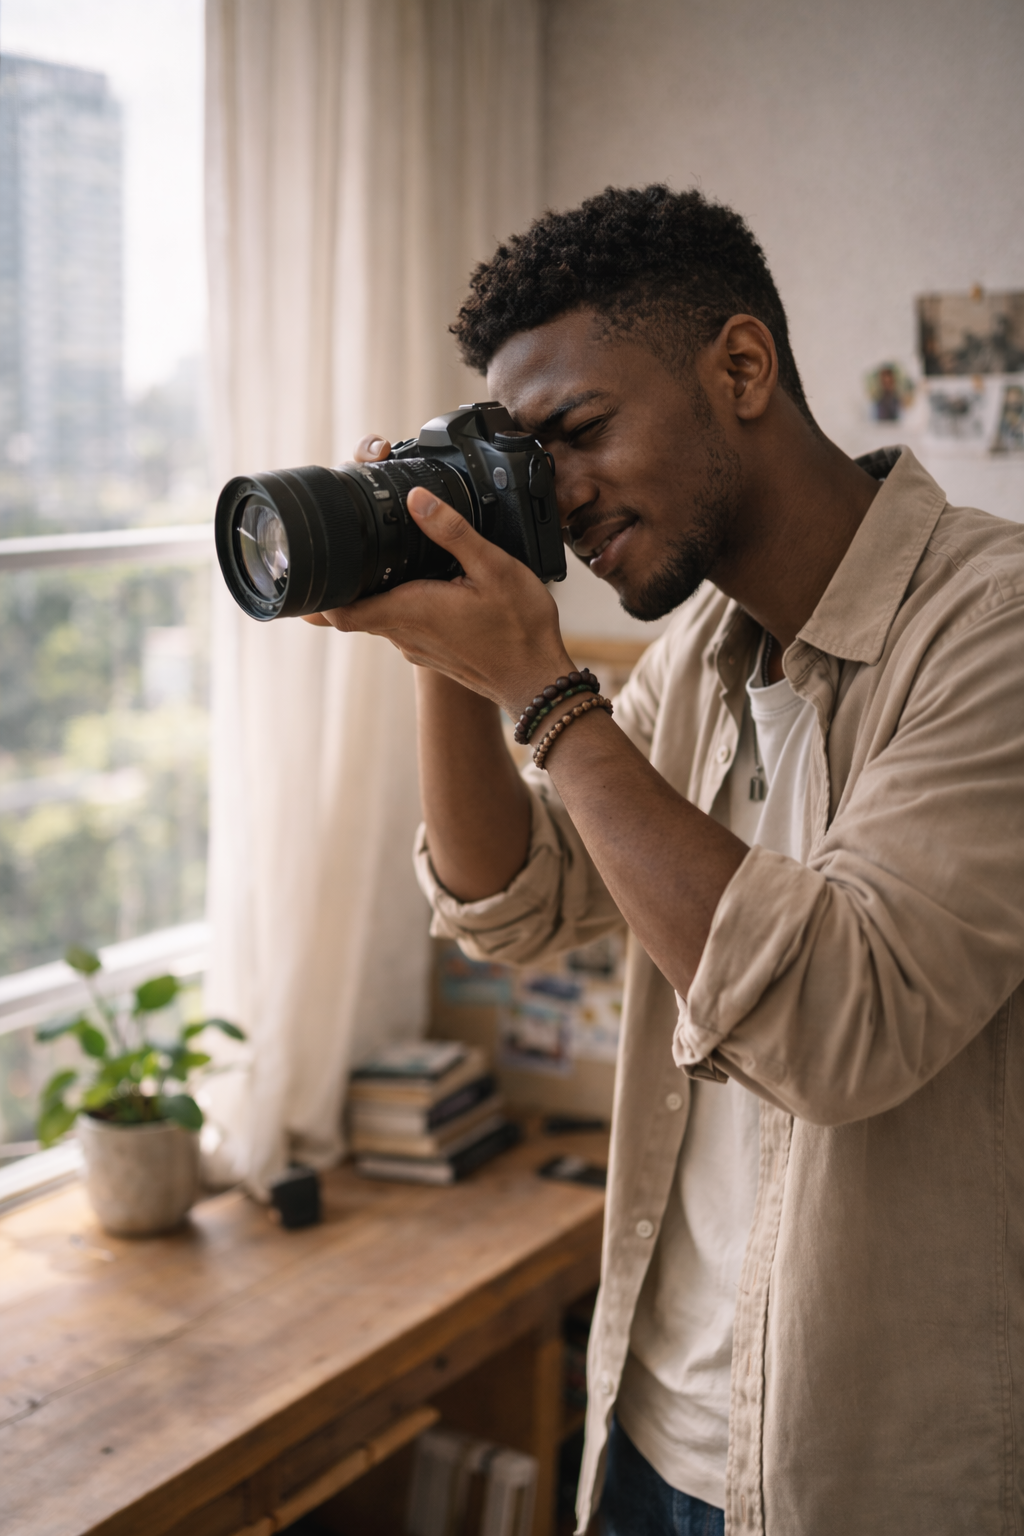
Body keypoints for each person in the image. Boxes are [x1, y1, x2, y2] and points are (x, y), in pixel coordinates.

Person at [308, 186, 1024, 1534]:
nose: (560, 497)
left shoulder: (994, 629)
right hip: (651, 1425)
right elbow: (514, 905)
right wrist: (441, 647)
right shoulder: (702, 654)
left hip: (864, 1468)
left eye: (580, 431)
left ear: (740, 368)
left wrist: (547, 695)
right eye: (528, 459)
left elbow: (836, 1025)